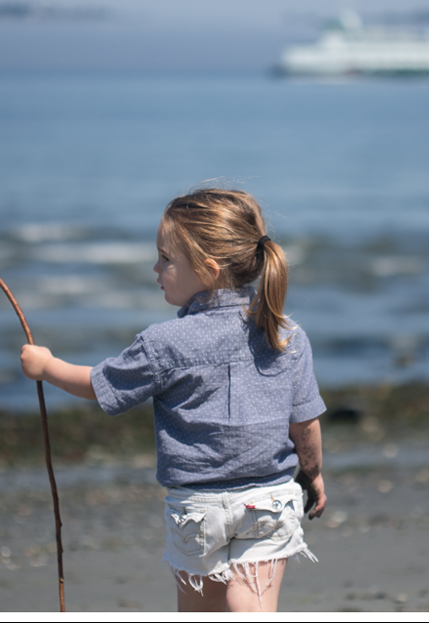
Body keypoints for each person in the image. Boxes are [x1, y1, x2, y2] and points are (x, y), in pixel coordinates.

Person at [20, 188, 327, 612]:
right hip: (269, 499)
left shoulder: (164, 343)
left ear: (208, 268)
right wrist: (312, 475)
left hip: (197, 506)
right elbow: (305, 423)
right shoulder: (286, 334)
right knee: (252, 600)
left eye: (166, 258)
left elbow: (100, 384)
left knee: (199, 608)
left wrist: (46, 366)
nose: (155, 268)